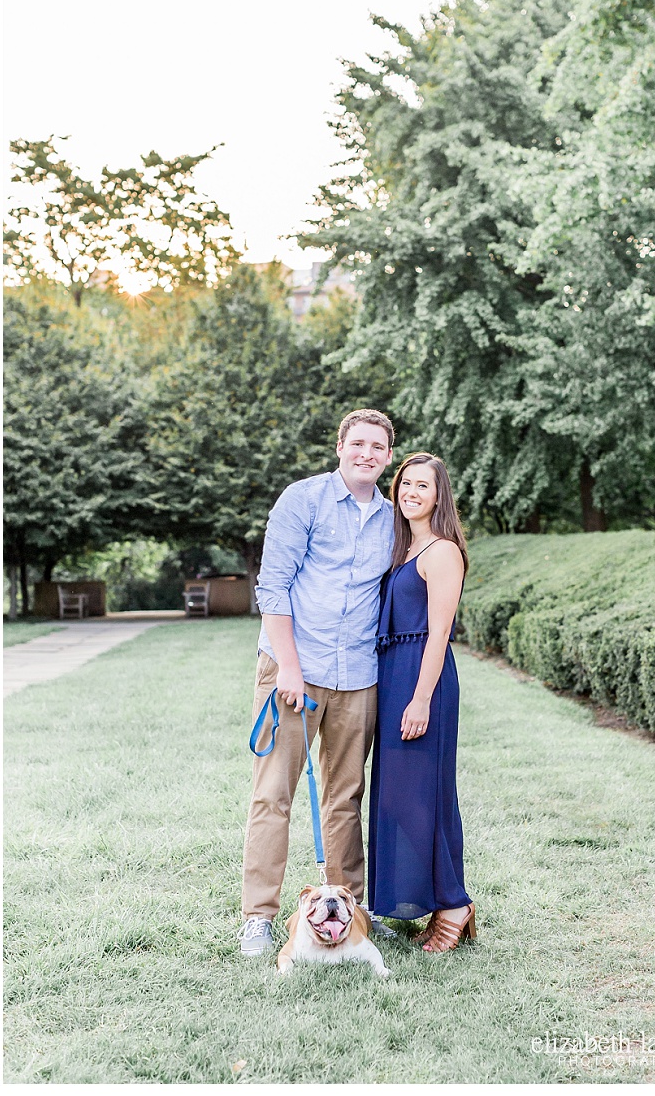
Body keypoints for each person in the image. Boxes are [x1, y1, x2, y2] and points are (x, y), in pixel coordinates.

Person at [238, 408, 398, 957]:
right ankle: (259, 916)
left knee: (344, 798)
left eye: (378, 447)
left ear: (388, 456)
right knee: (273, 796)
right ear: (340, 447)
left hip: (357, 676)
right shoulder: (301, 500)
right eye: (358, 443)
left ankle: (348, 913)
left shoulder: (392, 519)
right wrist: (288, 666)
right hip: (293, 672)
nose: (367, 454)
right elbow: (273, 587)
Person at [366, 453, 475, 952]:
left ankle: (454, 904)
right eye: (405, 482)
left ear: (438, 495)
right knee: (395, 795)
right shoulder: (401, 548)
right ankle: (432, 900)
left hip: (421, 681)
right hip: (391, 679)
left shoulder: (442, 552)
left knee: (424, 796)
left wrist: (421, 699)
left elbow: (439, 633)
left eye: (422, 485)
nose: (411, 491)